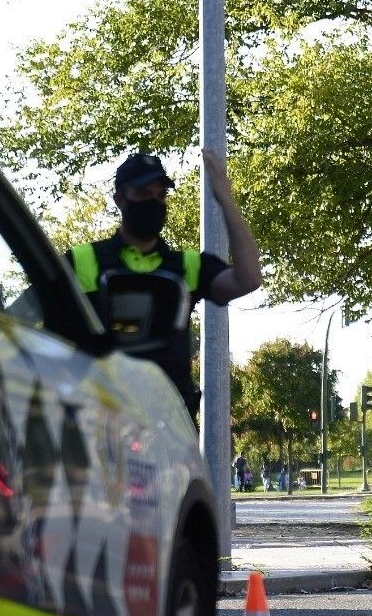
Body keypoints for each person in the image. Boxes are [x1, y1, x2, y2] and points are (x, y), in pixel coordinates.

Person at [66, 150, 263, 421]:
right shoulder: (81, 260)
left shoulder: (187, 265)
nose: (154, 203)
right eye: (143, 194)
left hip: (169, 427)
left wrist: (226, 200)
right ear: (120, 200)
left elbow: (249, 278)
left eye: (160, 196)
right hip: (100, 421)